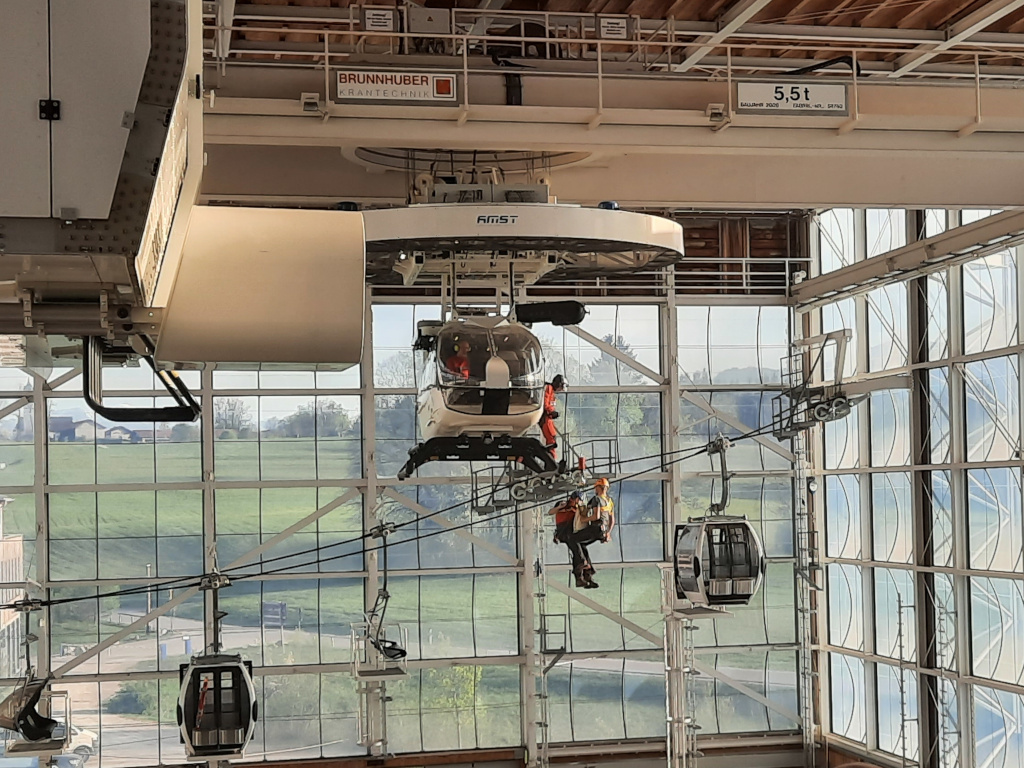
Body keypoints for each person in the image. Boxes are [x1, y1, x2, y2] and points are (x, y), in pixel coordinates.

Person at [548, 492, 596, 589]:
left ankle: (587, 575)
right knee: (577, 550)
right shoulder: (563, 504)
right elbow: (550, 512)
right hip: (564, 531)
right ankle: (581, 570)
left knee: (582, 549)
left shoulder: (578, 508)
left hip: (573, 531)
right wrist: (560, 507)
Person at [540, 374, 566, 460]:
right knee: (551, 439)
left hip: (548, 418)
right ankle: (551, 459)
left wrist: (552, 413)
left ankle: (551, 458)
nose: (561, 389)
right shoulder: (549, 388)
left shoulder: (552, 391)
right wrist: (551, 412)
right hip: (546, 418)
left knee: (552, 438)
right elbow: (545, 403)